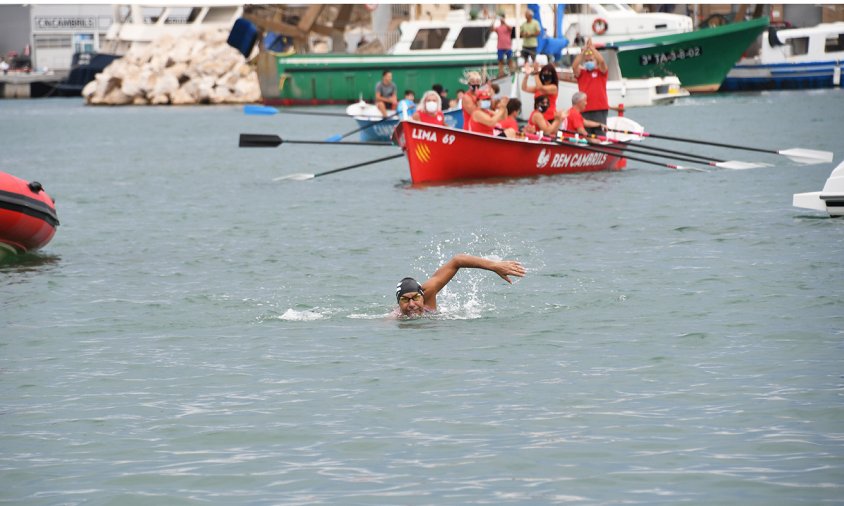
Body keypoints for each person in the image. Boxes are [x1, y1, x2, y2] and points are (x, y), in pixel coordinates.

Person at [394, 254, 526, 318]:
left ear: (422, 295)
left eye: (415, 298)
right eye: (405, 300)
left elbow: (457, 261)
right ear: (398, 303)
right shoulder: (396, 319)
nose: (411, 304)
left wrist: (494, 266)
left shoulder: (428, 292)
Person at [571, 38, 609, 136]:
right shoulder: (581, 73)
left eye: (591, 60)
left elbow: (602, 62)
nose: (589, 62)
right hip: (584, 109)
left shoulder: (601, 72)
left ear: (595, 61)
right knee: (586, 135)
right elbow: (575, 66)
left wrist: (593, 49)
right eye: (587, 60)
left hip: (599, 109)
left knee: (600, 134)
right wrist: (583, 52)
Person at [493, 12, 516, 77]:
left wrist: (504, 22)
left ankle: (512, 72)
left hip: (508, 46)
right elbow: (492, 29)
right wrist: (494, 20)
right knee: (500, 61)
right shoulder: (498, 27)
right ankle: (501, 73)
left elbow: (512, 29)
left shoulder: (507, 26)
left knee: (510, 60)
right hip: (500, 47)